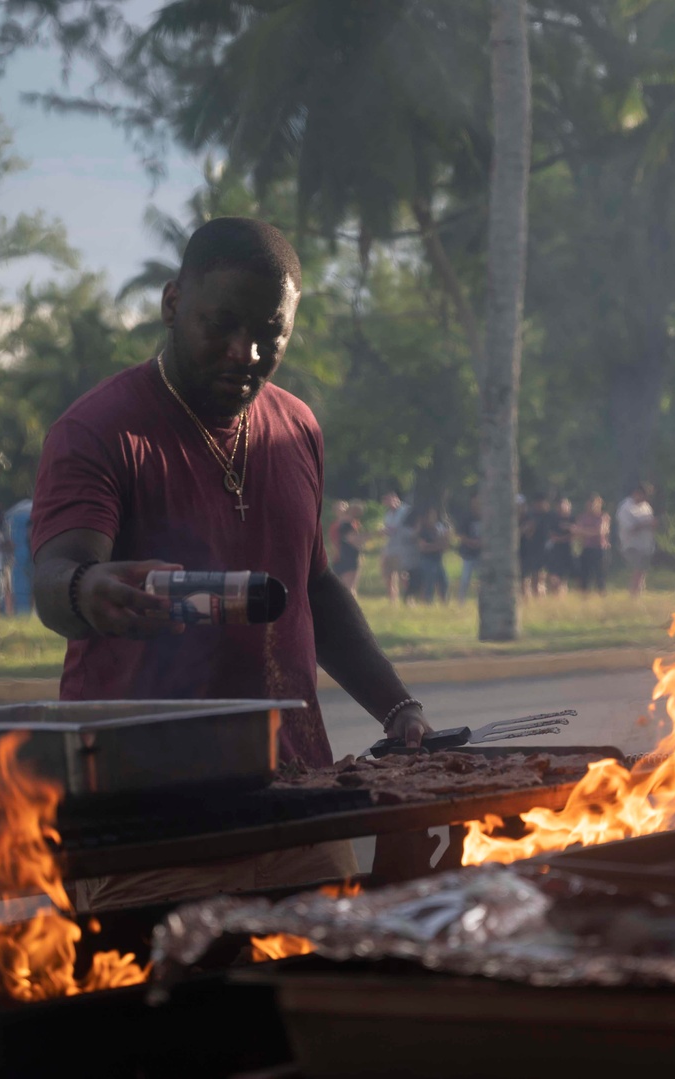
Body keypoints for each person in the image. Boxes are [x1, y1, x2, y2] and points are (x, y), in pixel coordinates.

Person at [30, 217, 432, 902]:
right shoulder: (99, 430)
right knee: (158, 1009)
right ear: (172, 303)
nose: (245, 351)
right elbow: (53, 577)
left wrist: (398, 707)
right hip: (151, 822)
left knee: (322, 994)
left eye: (270, 332)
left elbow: (316, 588)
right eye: (221, 323)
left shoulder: (297, 427)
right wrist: (88, 588)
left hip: (299, 803)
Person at [616, 484, 657, 597]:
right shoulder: (626, 507)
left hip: (646, 545)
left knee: (642, 571)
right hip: (631, 545)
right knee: (637, 569)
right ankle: (633, 594)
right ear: (636, 493)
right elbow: (629, 528)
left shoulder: (646, 507)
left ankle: (638, 592)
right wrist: (646, 524)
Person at [574, 493, 610, 594]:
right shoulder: (583, 517)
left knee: (600, 576)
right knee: (585, 576)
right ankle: (585, 598)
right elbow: (577, 533)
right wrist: (589, 532)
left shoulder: (603, 516)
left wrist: (583, 531)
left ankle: (601, 595)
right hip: (586, 549)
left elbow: (600, 531)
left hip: (600, 549)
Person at [519, 493, 553, 598]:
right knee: (527, 578)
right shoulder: (530, 516)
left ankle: (540, 599)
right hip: (529, 551)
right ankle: (530, 599)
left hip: (545, 551)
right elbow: (526, 534)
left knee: (541, 578)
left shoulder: (550, 516)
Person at [379, 491, 409, 603]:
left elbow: (398, 528)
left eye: (389, 500)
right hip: (390, 548)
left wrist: (386, 530)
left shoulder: (405, 511)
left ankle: (408, 598)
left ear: (395, 498)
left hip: (403, 549)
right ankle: (392, 599)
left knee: (403, 575)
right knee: (388, 574)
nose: (387, 503)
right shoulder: (388, 514)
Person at [332, 500, 367, 595]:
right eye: (339, 507)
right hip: (339, 557)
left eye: (343, 506)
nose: (341, 508)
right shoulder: (335, 525)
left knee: (350, 586)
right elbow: (334, 542)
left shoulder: (353, 523)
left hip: (351, 555)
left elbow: (357, 539)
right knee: (341, 586)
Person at [417, 505, 450, 603]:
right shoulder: (423, 530)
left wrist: (441, 542)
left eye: (434, 515)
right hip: (427, 560)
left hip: (438, 560)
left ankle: (444, 601)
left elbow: (446, 545)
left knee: (443, 581)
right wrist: (437, 546)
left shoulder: (439, 529)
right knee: (429, 583)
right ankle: (427, 602)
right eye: (431, 515)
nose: (433, 517)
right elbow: (423, 547)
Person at [455, 494, 482, 604]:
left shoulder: (486, 516)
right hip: (468, 555)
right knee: (465, 580)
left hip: (482, 554)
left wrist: (481, 542)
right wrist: (470, 542)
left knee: (483, 580)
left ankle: (482, 601)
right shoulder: (466, 517)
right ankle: (461, 601)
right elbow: (460, 535)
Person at [545, 497, 575, 595]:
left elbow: (575, 534)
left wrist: (562, 538)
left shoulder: (572, 519)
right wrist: (565, 537)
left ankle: (562, 594)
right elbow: (552, 535)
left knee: (564, 577)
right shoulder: (552, 518)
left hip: (568, 550)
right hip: (555, 551)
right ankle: (555, 594)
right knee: (554, 575)